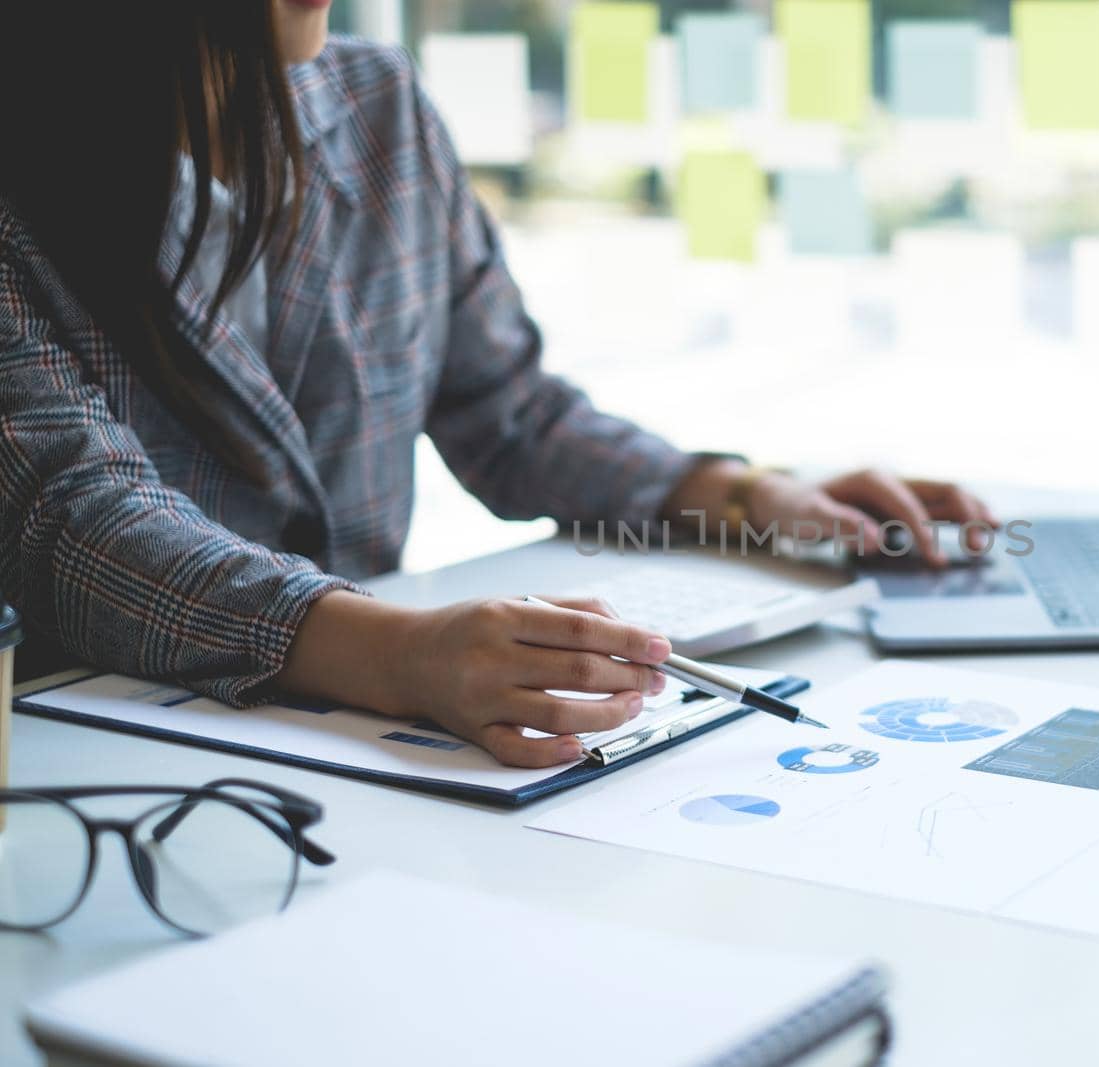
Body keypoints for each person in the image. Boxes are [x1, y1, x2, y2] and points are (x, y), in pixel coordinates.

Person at [0, 1, 994, 768]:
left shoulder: (375, 108)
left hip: (383, 756)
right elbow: (73, 518)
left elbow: (507, 409)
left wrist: (738, 495)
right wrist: (401, 654)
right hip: (114, 766)